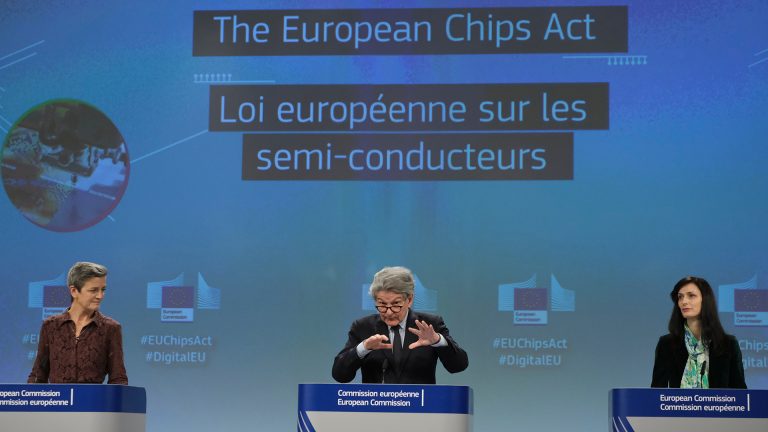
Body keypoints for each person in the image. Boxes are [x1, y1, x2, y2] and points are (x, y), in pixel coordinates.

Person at [332, 266, 468, 384]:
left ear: (409, 300)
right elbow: (340, 375)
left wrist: (438, 341)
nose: (389, 312)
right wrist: (363, 348)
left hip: (421, 405)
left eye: (396, 304)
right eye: (382, 304)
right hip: (376, 405)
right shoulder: (363, 327)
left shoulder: (430, 325)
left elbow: (458, 366)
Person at [28, 262, 128, 384]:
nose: (100, 296)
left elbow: (118, 379)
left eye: (103, 290)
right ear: (74, 291)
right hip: (59, 397)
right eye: (93, 290)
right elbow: (38, 375)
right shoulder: (50, 326)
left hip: (93, 397)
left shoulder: (111, 328)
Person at [651, 276, 746, 388]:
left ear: (705, 300)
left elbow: (740, 392)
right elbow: (656, 392)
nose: (684, 301)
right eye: (680, 297)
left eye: (691, 296)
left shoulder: (728, 344)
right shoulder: (667, 344)